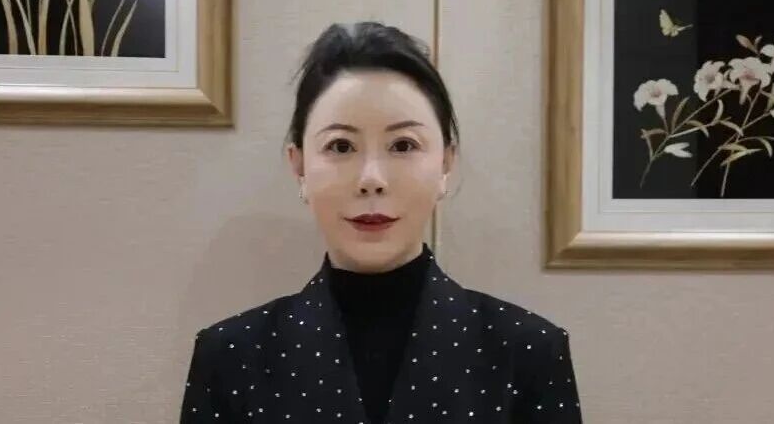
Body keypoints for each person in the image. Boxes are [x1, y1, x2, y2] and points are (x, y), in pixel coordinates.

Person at [180, 21, 583, 423]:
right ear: (299, 167)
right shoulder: (229, 359)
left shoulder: (529, 354)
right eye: (341, 146)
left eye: (403, 145)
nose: (371, 179)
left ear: (445, 164)